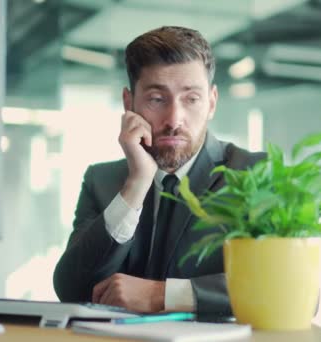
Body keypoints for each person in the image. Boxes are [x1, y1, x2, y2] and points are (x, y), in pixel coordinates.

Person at [53, 26, 265, 315]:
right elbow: (70, 288)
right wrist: (137, 183)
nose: (174, 118)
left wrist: (160, 295)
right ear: (129, 103)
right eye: (156, 99)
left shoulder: (254, 174)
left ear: (211, 102)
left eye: (191, 99)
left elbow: (290, 290)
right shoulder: (101, 180)